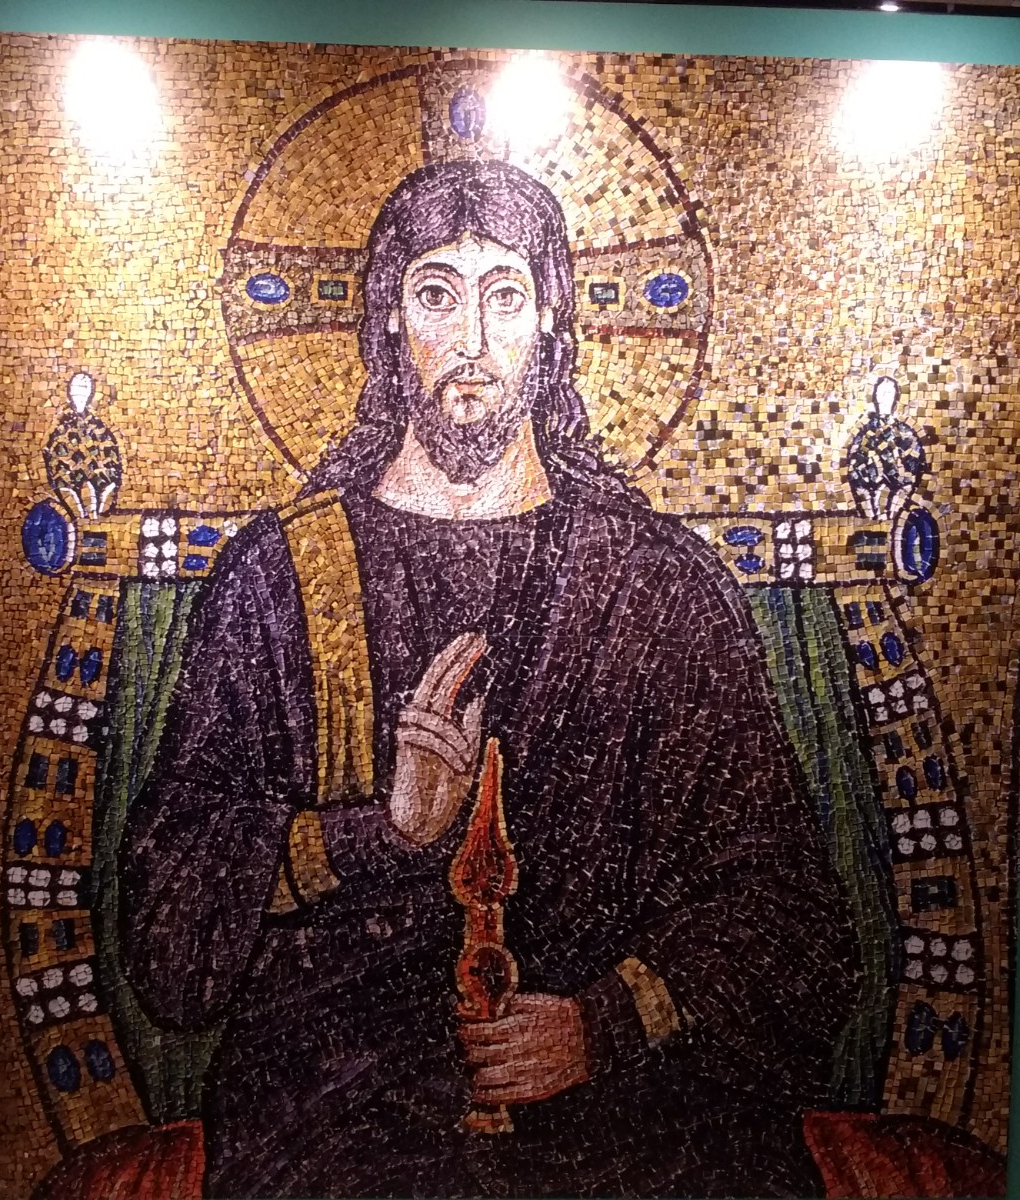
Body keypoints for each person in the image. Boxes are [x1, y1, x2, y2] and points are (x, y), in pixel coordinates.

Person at [123, 159, 860, 1198]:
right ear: (388, 322)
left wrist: (607, 1022)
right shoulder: (281, 579)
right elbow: (167, 928)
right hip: (342, 1131)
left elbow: (793, 913)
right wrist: (380, 835)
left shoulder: (659, 587)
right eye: (436, 294)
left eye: (503, 296)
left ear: (551, 324)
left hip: (623, 1134)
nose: (470, 341)